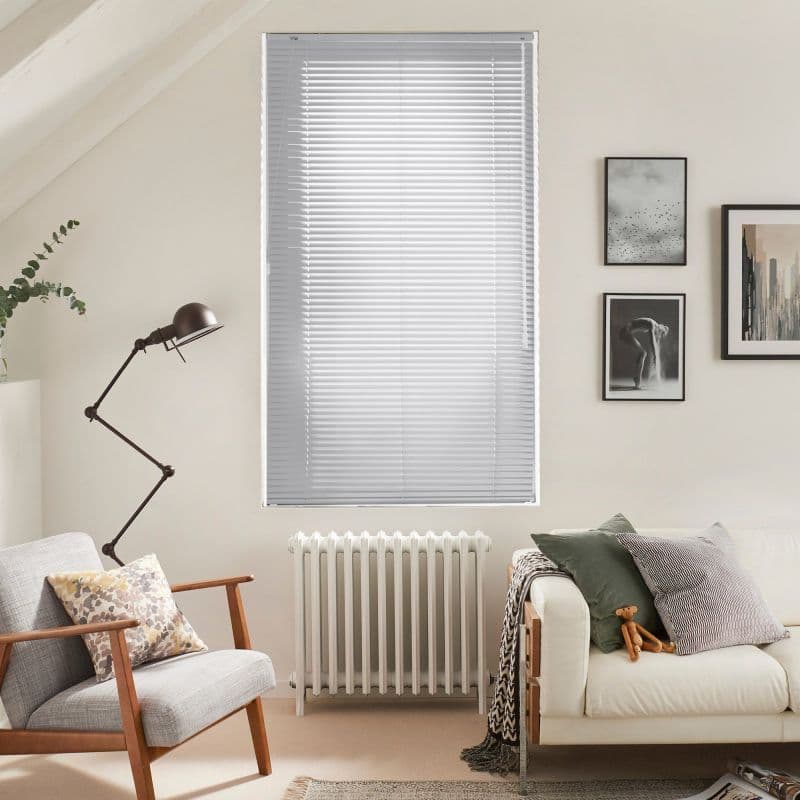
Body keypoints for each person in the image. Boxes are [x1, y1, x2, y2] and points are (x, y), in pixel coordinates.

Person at [617, 317, 670, 389]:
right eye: (661, 333)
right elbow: (652, 341)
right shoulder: (652, 324)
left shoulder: (652, 325)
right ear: (661, 327)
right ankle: (637, 380)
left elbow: (654, 340)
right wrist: (655, 356)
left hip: (625, 331)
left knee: (642, 353)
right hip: (625, 331)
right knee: (643, 353)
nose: (659, 335)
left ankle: (637, 379)